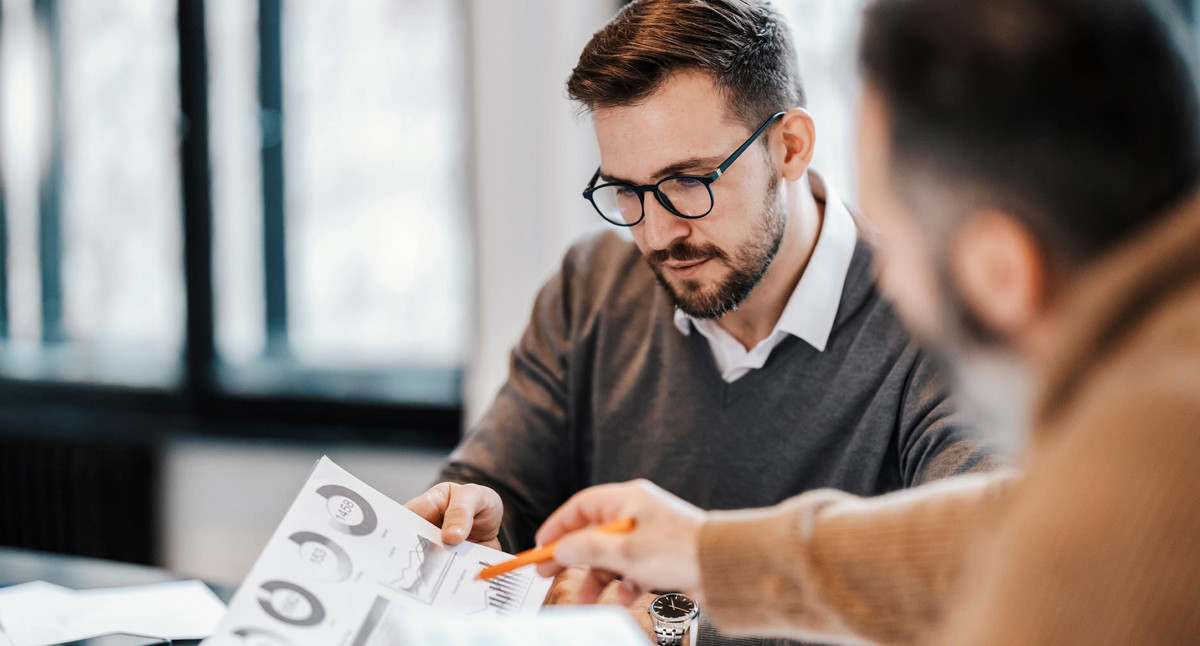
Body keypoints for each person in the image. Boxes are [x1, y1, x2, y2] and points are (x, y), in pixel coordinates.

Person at [534, 0, 1200, 643]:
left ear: (1002, 271)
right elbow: (996, 531)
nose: (884, 279)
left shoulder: (1152, 451)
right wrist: (708, 556)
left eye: (900, 243)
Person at [403, 0, 1001, 642]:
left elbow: (987, 568)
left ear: (790, 147)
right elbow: (500, 490)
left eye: (688, 181)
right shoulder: (594, 285)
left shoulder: (934, 319)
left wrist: (682, 621)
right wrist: (480, 521)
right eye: (626, 191)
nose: (658, 235)